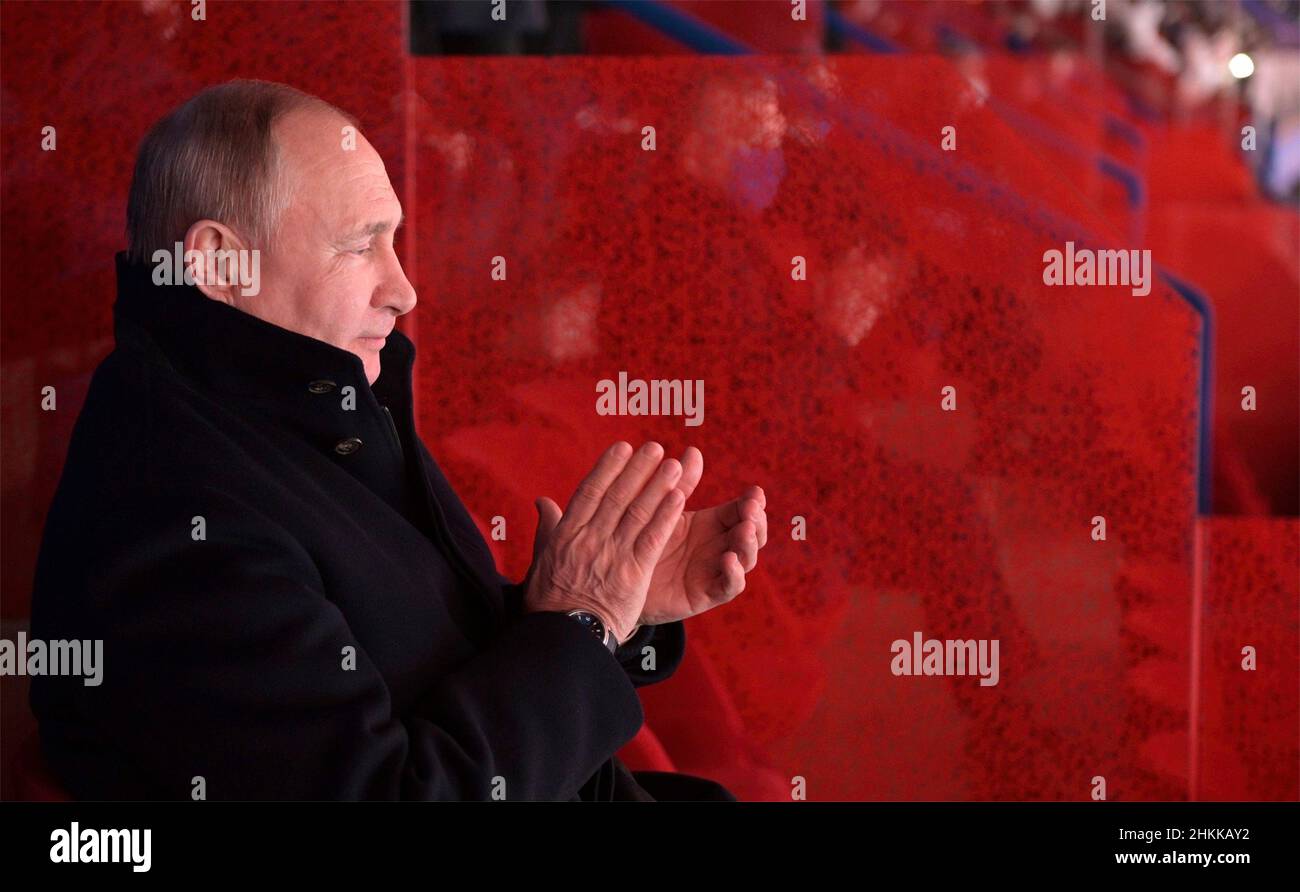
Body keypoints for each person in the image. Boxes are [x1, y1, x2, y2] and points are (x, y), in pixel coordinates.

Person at [28, 79, 768, 801]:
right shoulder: (173, 516)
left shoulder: (303, 405)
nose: (404, 288)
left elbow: (414, 667)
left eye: (395, 240)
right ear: (221, 263)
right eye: (360, 247)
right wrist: (580, 621)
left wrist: (616, 613)